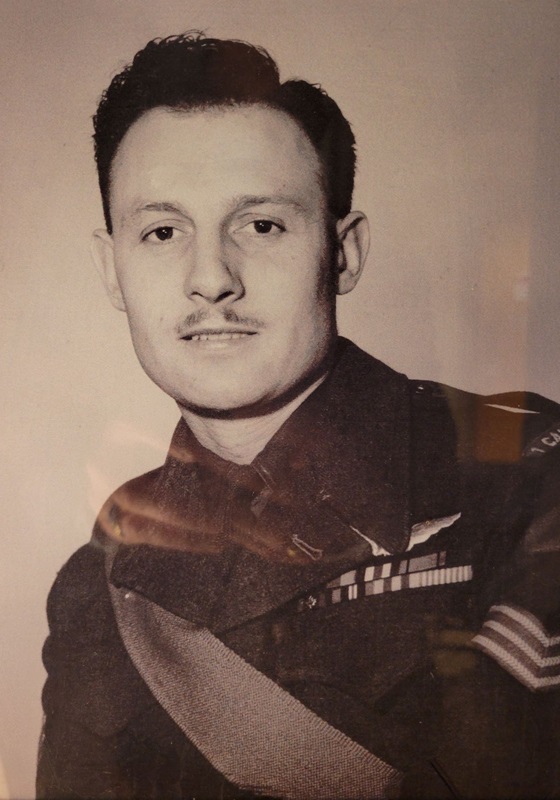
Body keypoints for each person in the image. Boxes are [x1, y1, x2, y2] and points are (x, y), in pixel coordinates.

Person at [37, 32, 560, 799]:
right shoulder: (103, 581)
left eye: (262, 225)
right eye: (161, 232)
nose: (210, 278)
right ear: (112, 268)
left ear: (343, 253)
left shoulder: (526, 478)